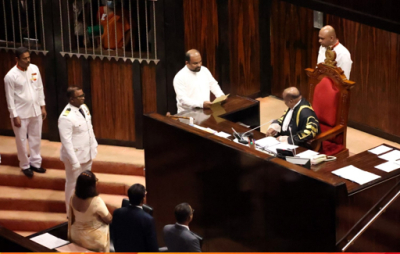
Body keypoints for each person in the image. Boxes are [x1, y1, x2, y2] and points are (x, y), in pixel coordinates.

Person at [4, 47, 47, 178]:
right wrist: (14, 115)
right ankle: (25, 165)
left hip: (35, 110)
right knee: (22, 140)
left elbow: (39, 88)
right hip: (20, 114)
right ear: (17, 59)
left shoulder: (34, 69)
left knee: (36, 137)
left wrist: (43, 106)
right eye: (25, 58)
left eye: (29, 57)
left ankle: (35, 162)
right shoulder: (10, 76)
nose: (28, 60)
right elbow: (9, 98)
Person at [58, 86, 98, 213]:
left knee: (86, 183)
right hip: (75, 157)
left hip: (87, 153)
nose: (83, 98)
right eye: (80, 96)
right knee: (72, 184)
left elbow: (89, 128)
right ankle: (70, 212)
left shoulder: (84, 108)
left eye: (83, 95)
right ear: (71, 99)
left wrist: (94, 145)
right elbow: (66, 142)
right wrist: (74, 162)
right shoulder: (65, 117)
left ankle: (84, 209)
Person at [68, 170, 112, 252]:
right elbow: (109, 219)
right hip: (92, 240)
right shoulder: (96, 201)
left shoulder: (73, 196)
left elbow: (72, 217)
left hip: (76, 236)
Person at [173, 49, 225, 113]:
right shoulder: (179, 77)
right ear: (187, 63)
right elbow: (183, 100)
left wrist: (221, 96)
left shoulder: (204, 70)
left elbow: (213, 85)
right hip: (188, 114)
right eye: (195, 63)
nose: (199, 65)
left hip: (205, 112)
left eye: (200, 62)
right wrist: (201, 104)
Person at [111, 183, 159, 252]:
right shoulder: (148, 219)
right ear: (143, 199)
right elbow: (152, 247)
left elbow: (114, 236)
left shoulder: (117, 212)